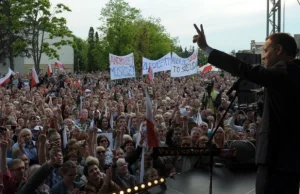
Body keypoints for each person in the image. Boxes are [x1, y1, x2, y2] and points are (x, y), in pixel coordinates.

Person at [193, 24, 300, 194]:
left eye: (265, 51)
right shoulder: (295, 73)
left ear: (279, 49)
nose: (263, 57)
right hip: (290, 160)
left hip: (276, 158)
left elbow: (244, 69)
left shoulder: (283, 72)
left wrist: (206, 49)